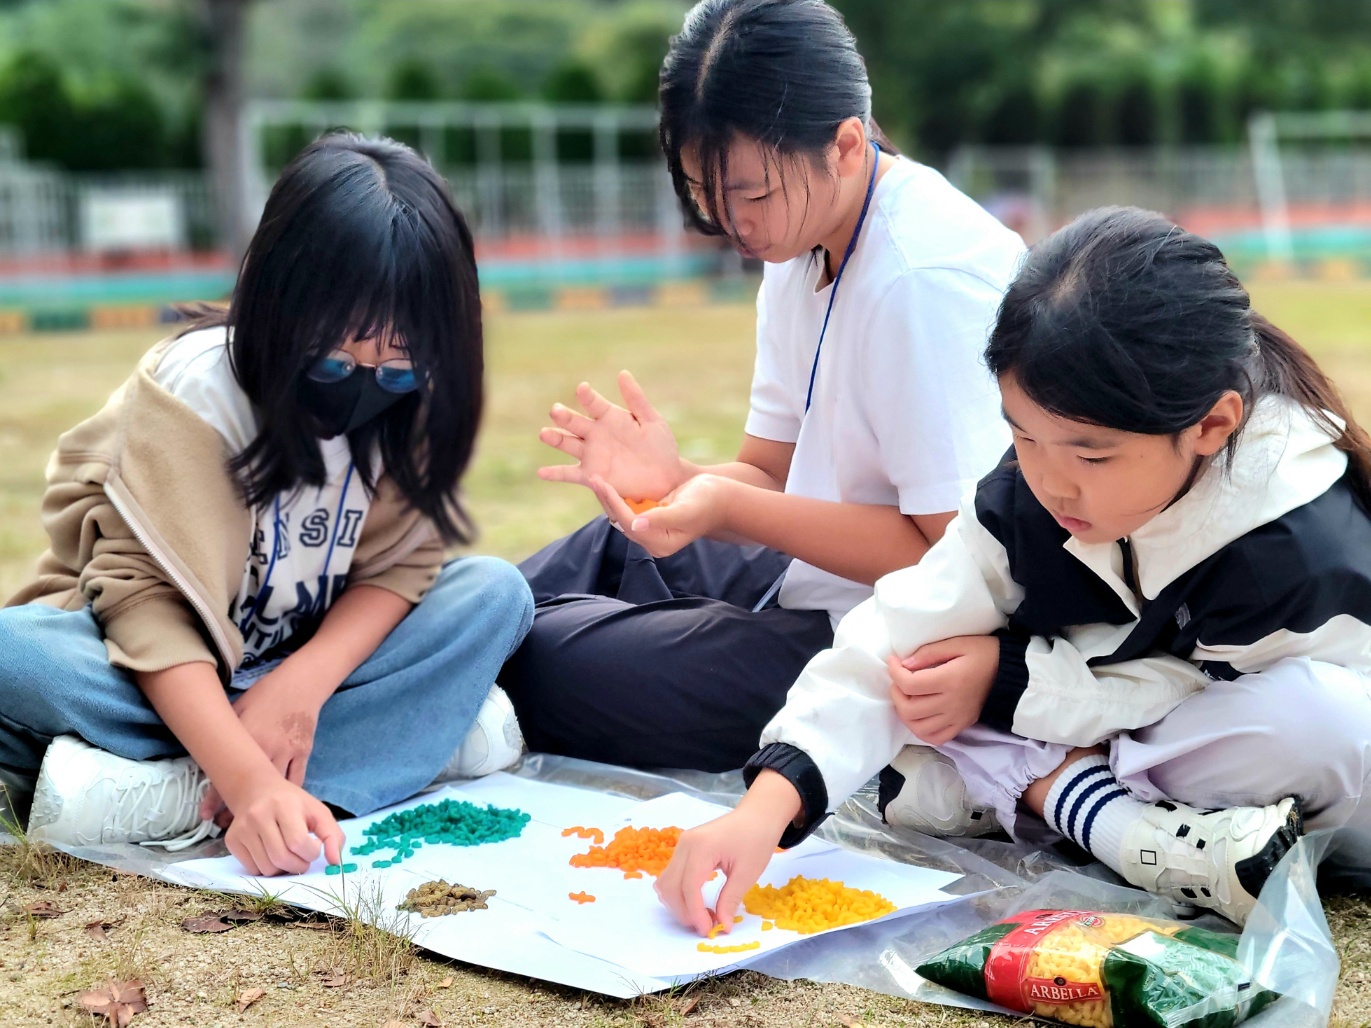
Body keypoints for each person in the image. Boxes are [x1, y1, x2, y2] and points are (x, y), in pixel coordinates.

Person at [656, 206, 1371, 928]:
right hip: (1119, 725)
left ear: (1210, 427)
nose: (1052, 483)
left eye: (1089, 455)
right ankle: (1095, 812)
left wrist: (1007, 682)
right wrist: (762, 811)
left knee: (1323, 724)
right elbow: (899, 627)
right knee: (929, 670)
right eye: (1021, 434)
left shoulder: (1295, 556)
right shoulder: (1030, 494)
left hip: (1278, 745)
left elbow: (1195, 696)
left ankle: (1053, 795)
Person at [499, 0, 1025, 772]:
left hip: (898, 639)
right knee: (547, 574)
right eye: (703, 189)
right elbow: (768, 473)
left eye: (751, 193)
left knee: (550, 658)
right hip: (816, 582)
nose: (729, 221)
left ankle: (437, 685)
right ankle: (416, 646)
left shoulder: (920, 280)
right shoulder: (801, 243)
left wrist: (724, 504)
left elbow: (951, 560)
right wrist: (674, 482)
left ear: (846, 144)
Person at [0, 134, 534, 876]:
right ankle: (326, 772)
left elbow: (403, 568)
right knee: (14, 651)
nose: (364, 386)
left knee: (494, 595)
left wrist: (302, 684)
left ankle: (165, 795)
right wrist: (244, 776)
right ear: (277, 306)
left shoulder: (413, 398)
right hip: (159, 673)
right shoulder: (197, 391)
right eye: (333, 362)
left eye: (398, 371)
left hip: (295, 679)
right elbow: (142, 605)